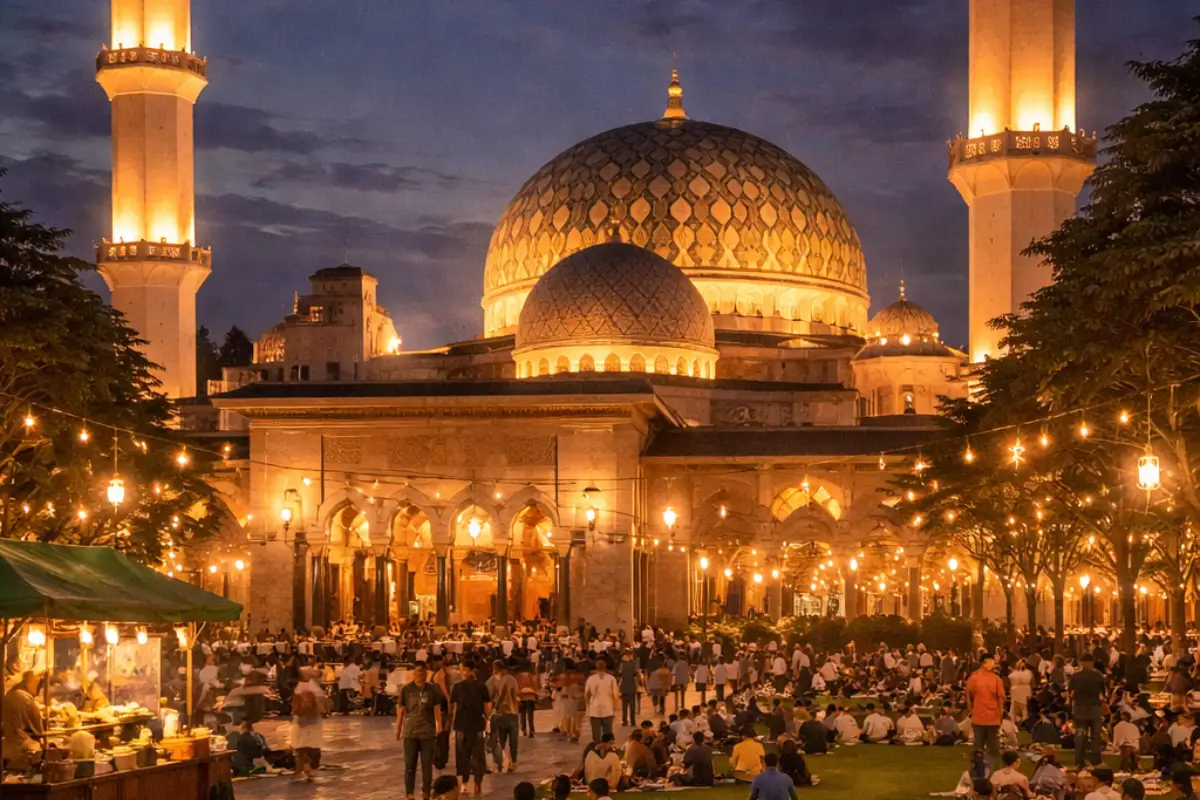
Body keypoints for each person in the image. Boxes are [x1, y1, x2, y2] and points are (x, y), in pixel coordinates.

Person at [398, 662, 446, 800]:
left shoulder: (432, 690)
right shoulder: (406, 690)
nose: (421, 675)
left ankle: (426, 790)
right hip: (410, 732)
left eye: (423, 673)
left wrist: (439, 726)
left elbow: (436, 709)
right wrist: (398, 730)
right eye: (418, 672)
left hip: (427, 732)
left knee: (427, 765)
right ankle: (409, 792)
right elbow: (401, 710)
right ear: (414, 674)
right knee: (410, 765)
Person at [448, 659, 491, 795]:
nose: (461, 672)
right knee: (478, 756)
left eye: (462, 669)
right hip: (477, 725)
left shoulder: (457, 687)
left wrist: (450, 726)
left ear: (468, 670)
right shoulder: (481, 686)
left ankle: (464, 784)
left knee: (463, 756)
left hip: (461, 726)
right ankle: (478, 785)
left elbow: (453, 708)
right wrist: (486, 718)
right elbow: (487, 705)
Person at [966, 653, 1005, 769]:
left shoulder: (996, 679)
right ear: (985, 662)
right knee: (979, 746)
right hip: (980, 716)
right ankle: (978, 770)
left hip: (991, 717)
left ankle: (992, 770)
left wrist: (1000, 714)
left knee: (992, 747)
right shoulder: (974, 678)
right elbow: (969, 697)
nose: (994, 664)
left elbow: (1000, 699)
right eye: (992, 661)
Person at [1070, 653, 1107, 769]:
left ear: (1081, 662)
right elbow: (1103, 694)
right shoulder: (1098, 676)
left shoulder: (1075, 676)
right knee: (1095, 736)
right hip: (1094, 708)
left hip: (1080, 709)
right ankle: (1096, 760)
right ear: (1092, 662)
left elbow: (1070, 693)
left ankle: (1079, 760)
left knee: (1080, 734)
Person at [291, 666, 327, 781]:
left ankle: (303, 769)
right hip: (307, 720)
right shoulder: (305, 687)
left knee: (301, 744)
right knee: (302, 745)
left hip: (308, 719)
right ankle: (304, 768)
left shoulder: (308, 684)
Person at [2, 671, 44, 769]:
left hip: (9, 742)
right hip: (20, 745)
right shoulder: (26, 698)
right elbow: (38, 728)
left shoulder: (11, 694)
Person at [486, 660, 520, 771]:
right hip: (513, 714)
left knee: (502, 740)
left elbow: (489, 697)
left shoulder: (492, 681)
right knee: (513, 741)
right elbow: (517, 694)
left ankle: (502, 762)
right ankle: (513, 762)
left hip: (501, 714)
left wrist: (491, 711)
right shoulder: (512, 679)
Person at [584, 658, 620, 744]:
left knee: (596, 735)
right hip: (608, 708)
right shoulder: (611, 679)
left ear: (596, 667)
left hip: (594, 709)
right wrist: (616, 708)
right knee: (607, 733)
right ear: (605, 667)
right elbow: (616, 695)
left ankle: (597, 750)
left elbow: (587, 694)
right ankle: (607, 750)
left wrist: (587, 706)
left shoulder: (591, 679)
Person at [514, 661, 538, 738]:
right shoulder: (530, 675)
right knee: (530, 714)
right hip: (531, 695)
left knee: (522, 714)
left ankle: (523, 730)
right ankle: (531, 731)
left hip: (522, 696)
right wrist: (536, 696)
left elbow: (516, 688)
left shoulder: (517, 677)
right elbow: (535, 686)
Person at [618, 651, 640, 727]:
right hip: (631, 686)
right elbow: (635, 673)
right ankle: (632, 721)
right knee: (632, 705)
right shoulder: (633, 663)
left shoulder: (622, 664)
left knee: (624, 705)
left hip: (623, 686)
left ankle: (624, 721)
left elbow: (619, 673)